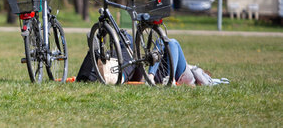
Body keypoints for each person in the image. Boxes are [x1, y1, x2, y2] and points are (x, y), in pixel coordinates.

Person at [76, 32, 228, 86]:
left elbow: (171, 45)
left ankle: (103, 61)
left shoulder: (190, 75)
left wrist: (151, 75)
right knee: (125, 40)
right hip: (146, 72)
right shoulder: (192, 69)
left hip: (166, 75)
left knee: (170, 42)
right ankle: (101, 55)